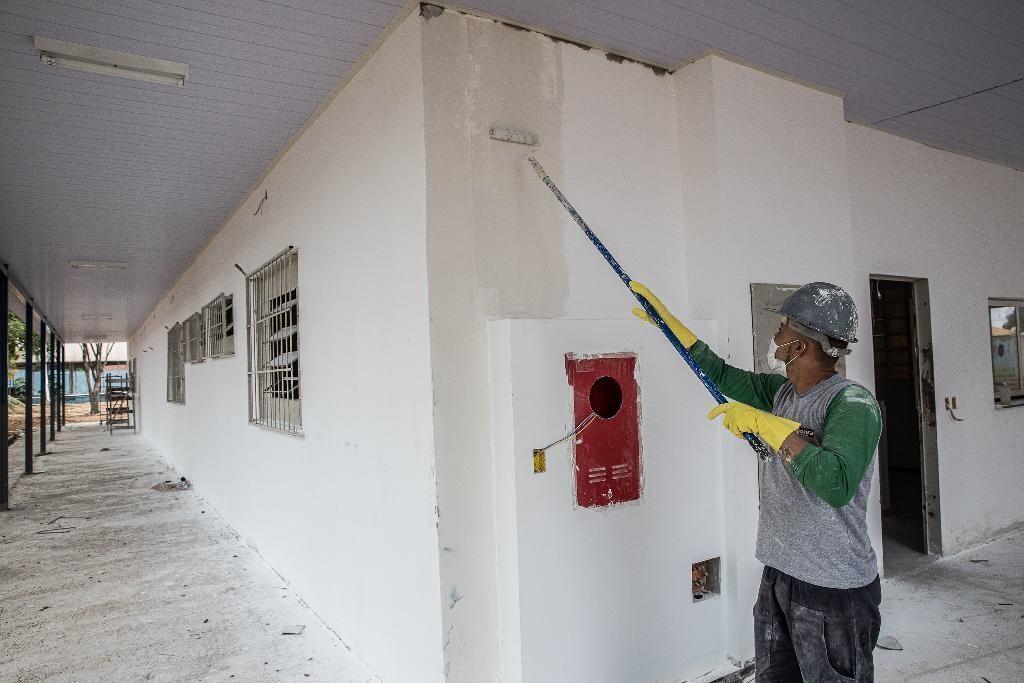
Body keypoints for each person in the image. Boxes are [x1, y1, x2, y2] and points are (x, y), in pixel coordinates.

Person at [630, 281, 883, 683]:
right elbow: (722, 375)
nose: (775, 336)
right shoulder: (783, 393)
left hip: (833, 589)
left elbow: (837, 483)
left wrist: (768, 426)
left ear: (800, 346)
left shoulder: (852, 404)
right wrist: (671, 328)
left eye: (782, 327)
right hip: (779, 574)